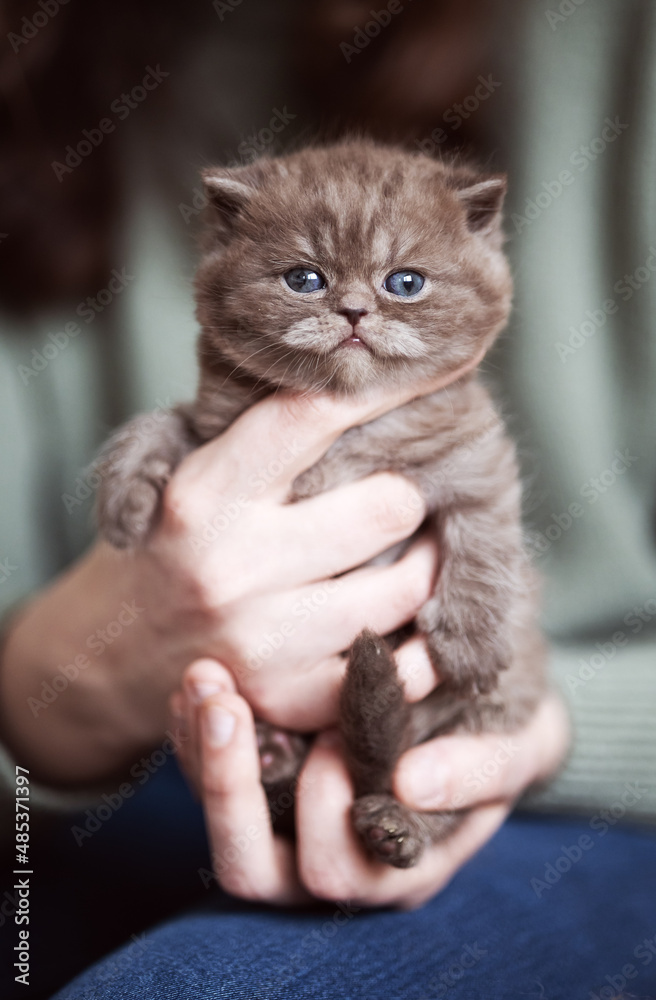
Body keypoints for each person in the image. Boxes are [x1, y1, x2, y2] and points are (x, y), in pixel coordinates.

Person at [1, 1, 654, 997]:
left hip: (561, 798)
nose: (351, 311)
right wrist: (62, 689)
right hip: (131, 777)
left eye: (398, 284)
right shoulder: (42, 71)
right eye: (306, 280)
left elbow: (475, 522)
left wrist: (551, 723)